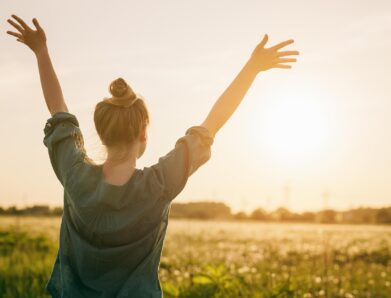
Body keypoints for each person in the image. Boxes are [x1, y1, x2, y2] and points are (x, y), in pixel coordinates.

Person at [6, 14, 299, 298]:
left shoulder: (74, 174)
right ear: (143, 134)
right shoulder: (159, 184)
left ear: (101, 132)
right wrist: (252, 68)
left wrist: (41, 50)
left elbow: (59, 112)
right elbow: (212, 124)